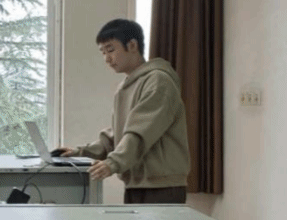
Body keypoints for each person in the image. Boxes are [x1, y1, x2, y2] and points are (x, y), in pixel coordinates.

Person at [59, 18, 190, 204]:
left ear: (132, 45)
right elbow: (117, 135)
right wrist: (79, 152)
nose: (107, 59)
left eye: (111, 50)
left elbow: (140, 132)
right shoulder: (125, 86)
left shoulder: (159, 81)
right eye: (103, 52)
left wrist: (112, 163)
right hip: (136, 184)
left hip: (162, 186)